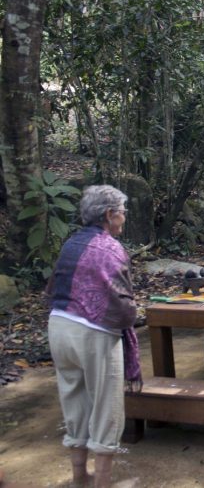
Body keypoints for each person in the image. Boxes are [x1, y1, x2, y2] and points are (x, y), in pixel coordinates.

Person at [47, 185, 141, 488]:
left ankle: (79, 478)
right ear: (109, 214)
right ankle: (102, 482)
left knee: (73, 399)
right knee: (106, 408)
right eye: (122, 212)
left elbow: (53, 288)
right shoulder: (111, 248)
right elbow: (123, 305)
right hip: (94, 333)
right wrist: (134, 315)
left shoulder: (71, 242)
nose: (124, 218)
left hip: (59, 326)